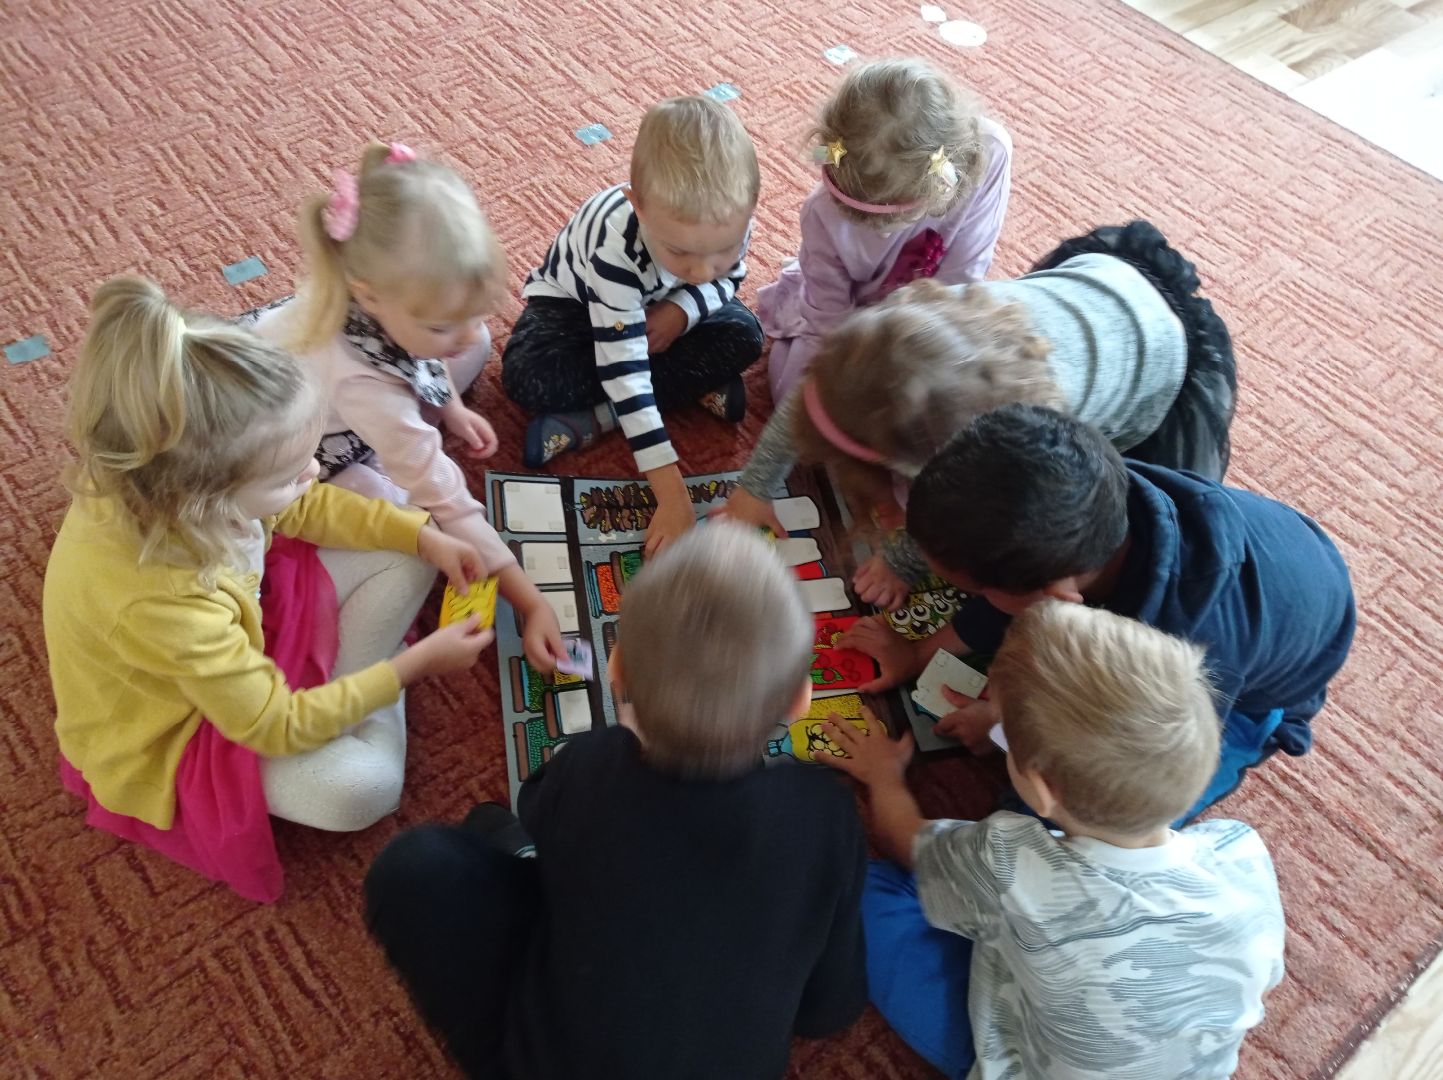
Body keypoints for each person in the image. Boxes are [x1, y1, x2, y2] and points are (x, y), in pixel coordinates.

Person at [45, 277, 495, 900]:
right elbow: (272, 726)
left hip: (239, 637)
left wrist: (422, 537)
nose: (314, 471)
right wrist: (410, 668)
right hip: (187, 731)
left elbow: (302, 506)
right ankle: (361, 694)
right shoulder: (161, 602)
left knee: (410, 545)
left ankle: (349, 697)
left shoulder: (181, 483)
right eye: (288, 472)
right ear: (207, 499)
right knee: (363, 790)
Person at [365, 524, 867, 1078]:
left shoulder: (595, 766)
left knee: (418, 864)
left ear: (616, 667)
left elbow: (535, 809)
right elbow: (830, 1009)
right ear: (799, 700)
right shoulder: (827, 815)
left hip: (543, 1061)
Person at [824, 600, 1286, 1079]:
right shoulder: (1241, 853)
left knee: (864, 889)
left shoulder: (1008, 860)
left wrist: (884, 776)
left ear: (1043, 790)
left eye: (1003, 731)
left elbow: (906, 843)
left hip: (1022, 1063)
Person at [842, 404, 1355, 816]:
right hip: (1276, 566)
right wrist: (918, 653)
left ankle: (1255, 738)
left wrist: (1005, 730)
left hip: (1253, 696)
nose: (972, 597)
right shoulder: (1084, 500)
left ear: (1055, 598)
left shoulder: (1183, 652)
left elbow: (1138, 761)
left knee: (1095, 813)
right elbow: (1005, 602)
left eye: (974, 590)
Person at [719, 220, 1239, 609]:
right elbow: (817, 394)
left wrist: (902, 563)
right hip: (1100, 277)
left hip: (1165, 361)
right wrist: (753, 490)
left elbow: (956, 520)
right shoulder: (900, 333)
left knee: (1112, 535)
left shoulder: (1020, 444)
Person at [255, 140, 562, 670]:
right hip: (294, 454)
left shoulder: (382, 298)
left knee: (476, 345)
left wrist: (451, 406)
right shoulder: (363, 383)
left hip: (340, 396)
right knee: (407, 514)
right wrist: (531, 602)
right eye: (441, 325)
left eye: (471, 311)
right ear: (369, 295)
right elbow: (447, 499)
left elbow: (421, 352)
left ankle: (406, 413)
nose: (462, 334)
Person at [501, 96, 764, 555]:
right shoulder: (614, 249)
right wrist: (672, 493)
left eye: (721, 250)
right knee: (527, 375)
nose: (702, 269)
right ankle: (672, 392)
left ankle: (597, 418)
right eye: (680, 251)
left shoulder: (729, 219)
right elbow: (624, 369)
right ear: (637, 206)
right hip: (576, 309)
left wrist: (682, 310)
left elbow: (726, 281)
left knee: (746, 335)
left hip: (663, 308)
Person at [759, 56, 1012, 401]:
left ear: (937, 188)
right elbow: (827, 319)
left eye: (887, 222)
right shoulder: (821, 211)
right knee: (793, 394)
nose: (878, 233)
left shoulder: (989, 152)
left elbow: (963, 277)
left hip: (931, 313)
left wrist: (910, 350)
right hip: (848, 316)